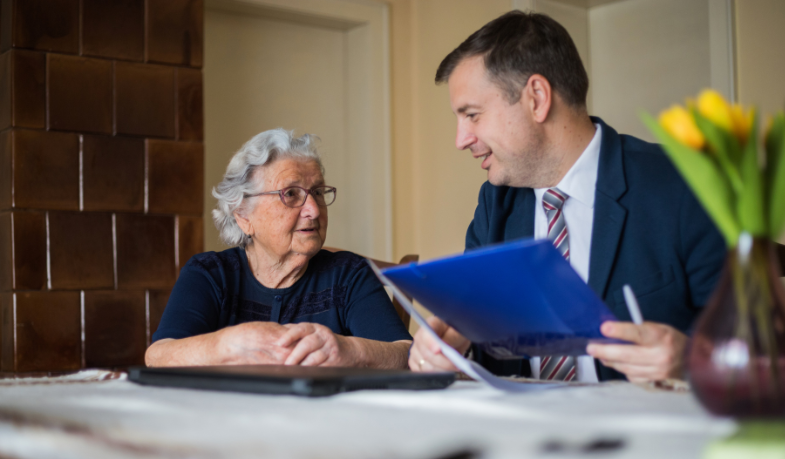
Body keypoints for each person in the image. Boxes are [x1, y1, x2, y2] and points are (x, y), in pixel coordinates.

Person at [408, 11, 726, 382]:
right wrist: (450, 352)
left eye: (472, 115)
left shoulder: (685, 184)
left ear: (537, 98)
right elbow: (483, 344)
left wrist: (691, 358)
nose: (460, 139)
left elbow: (763, 346)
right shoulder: (495, 204)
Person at [145, 129, 412, 368]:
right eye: (291, 194)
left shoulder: (348, 275)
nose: (314, 209)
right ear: (243, 216)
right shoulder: (211, 274)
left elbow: (405, 353)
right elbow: (158, 355)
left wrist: (350, 349)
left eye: (318, 192)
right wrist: (225, 345)